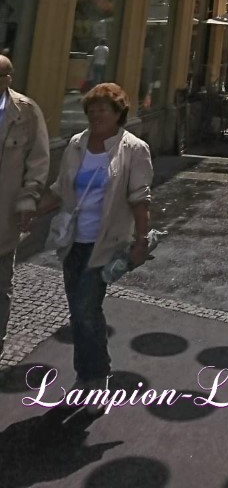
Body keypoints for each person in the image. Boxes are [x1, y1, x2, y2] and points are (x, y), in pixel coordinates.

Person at [36, 82, 152, 388]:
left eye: (104, 108)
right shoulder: (77, 143)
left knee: (86, 309)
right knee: (78, 312)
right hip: (73, 241)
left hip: (106, 244)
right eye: (92, 108)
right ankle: (84, 375)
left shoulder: (133, 149)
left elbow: (140, 200)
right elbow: (60, 190)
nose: (96, 114)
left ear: (118, 113)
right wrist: (28, 214)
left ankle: (97, 378)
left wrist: (142, 241)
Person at [0, 54, 50, 359]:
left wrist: (28, 199)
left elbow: (39, 160)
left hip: (4, 215)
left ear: (9, 79)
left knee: (1, 284)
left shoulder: (26, 112)